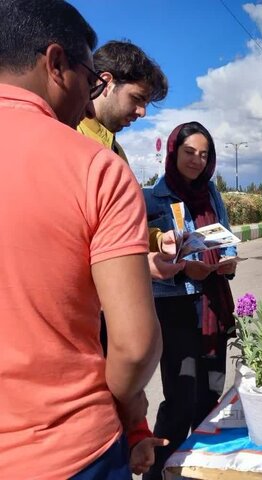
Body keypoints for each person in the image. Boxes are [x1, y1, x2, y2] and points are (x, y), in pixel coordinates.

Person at [0, 1, 161, 478]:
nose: (89, 93)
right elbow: (134, 346)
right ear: (55, 64)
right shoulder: (94, 168)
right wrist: (133, 418)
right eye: (90, 78)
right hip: (68, 452)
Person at [143, 122, 238, 479]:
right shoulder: (154, 198)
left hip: (213, 304)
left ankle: (197, 470)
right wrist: (186, 270)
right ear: (173, 152)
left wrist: (226, 262)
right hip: (176, 308)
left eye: (204, 155)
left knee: (210, 397)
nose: (197, 161)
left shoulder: (211, 194)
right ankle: (156, 474)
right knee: (181, 402)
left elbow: (225, 236)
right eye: (189, 153)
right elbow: (145, 254)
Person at [78, 40, 182, 281]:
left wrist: (158, 240)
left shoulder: (116, 151)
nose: (142, 112)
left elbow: (119, 224)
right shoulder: (69, 136)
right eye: (137, 98)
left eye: (145, 104)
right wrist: (137, 266)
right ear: (106, 82)